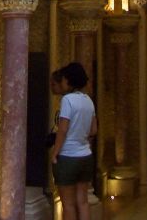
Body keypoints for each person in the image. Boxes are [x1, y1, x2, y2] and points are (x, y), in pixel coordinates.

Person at [52, 62, 97, 220]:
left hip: (68, 156)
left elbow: (62, 130)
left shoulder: (67, 100)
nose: (62, 82)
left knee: (68, 204)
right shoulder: (88, 100)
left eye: (63, 79)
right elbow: (93, 130)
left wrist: (55, 153)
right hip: (85, 156)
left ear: (69, 80)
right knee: (83, 202)